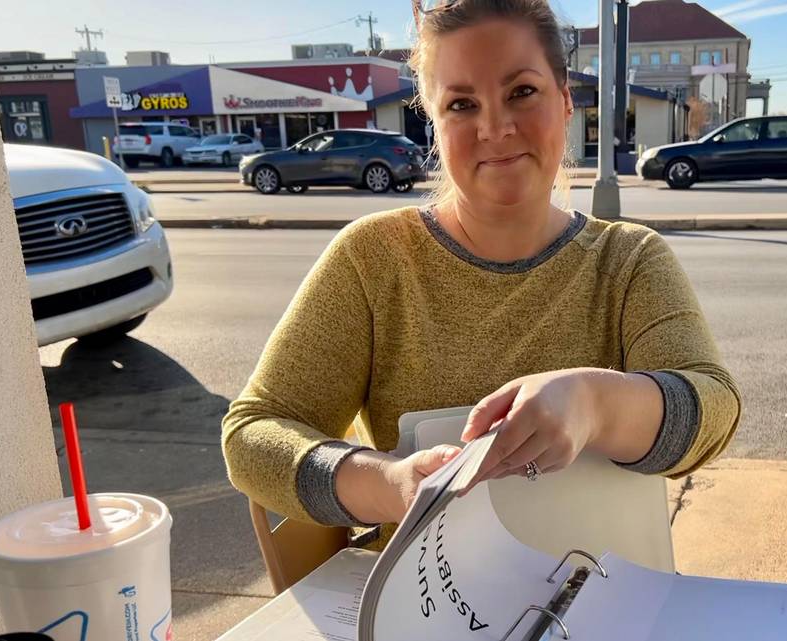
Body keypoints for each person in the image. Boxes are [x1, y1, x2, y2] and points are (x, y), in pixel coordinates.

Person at [221, 0, 741, 550]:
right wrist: (390, 485)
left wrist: (595, 404)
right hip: (424, 607)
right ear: (434, 122)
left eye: (521, 91)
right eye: (462, 104)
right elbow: (254, 434)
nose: (495, 128)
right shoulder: (372, 259)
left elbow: (714, 408)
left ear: (566, 101)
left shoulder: (629, 259)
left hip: (603, 598)